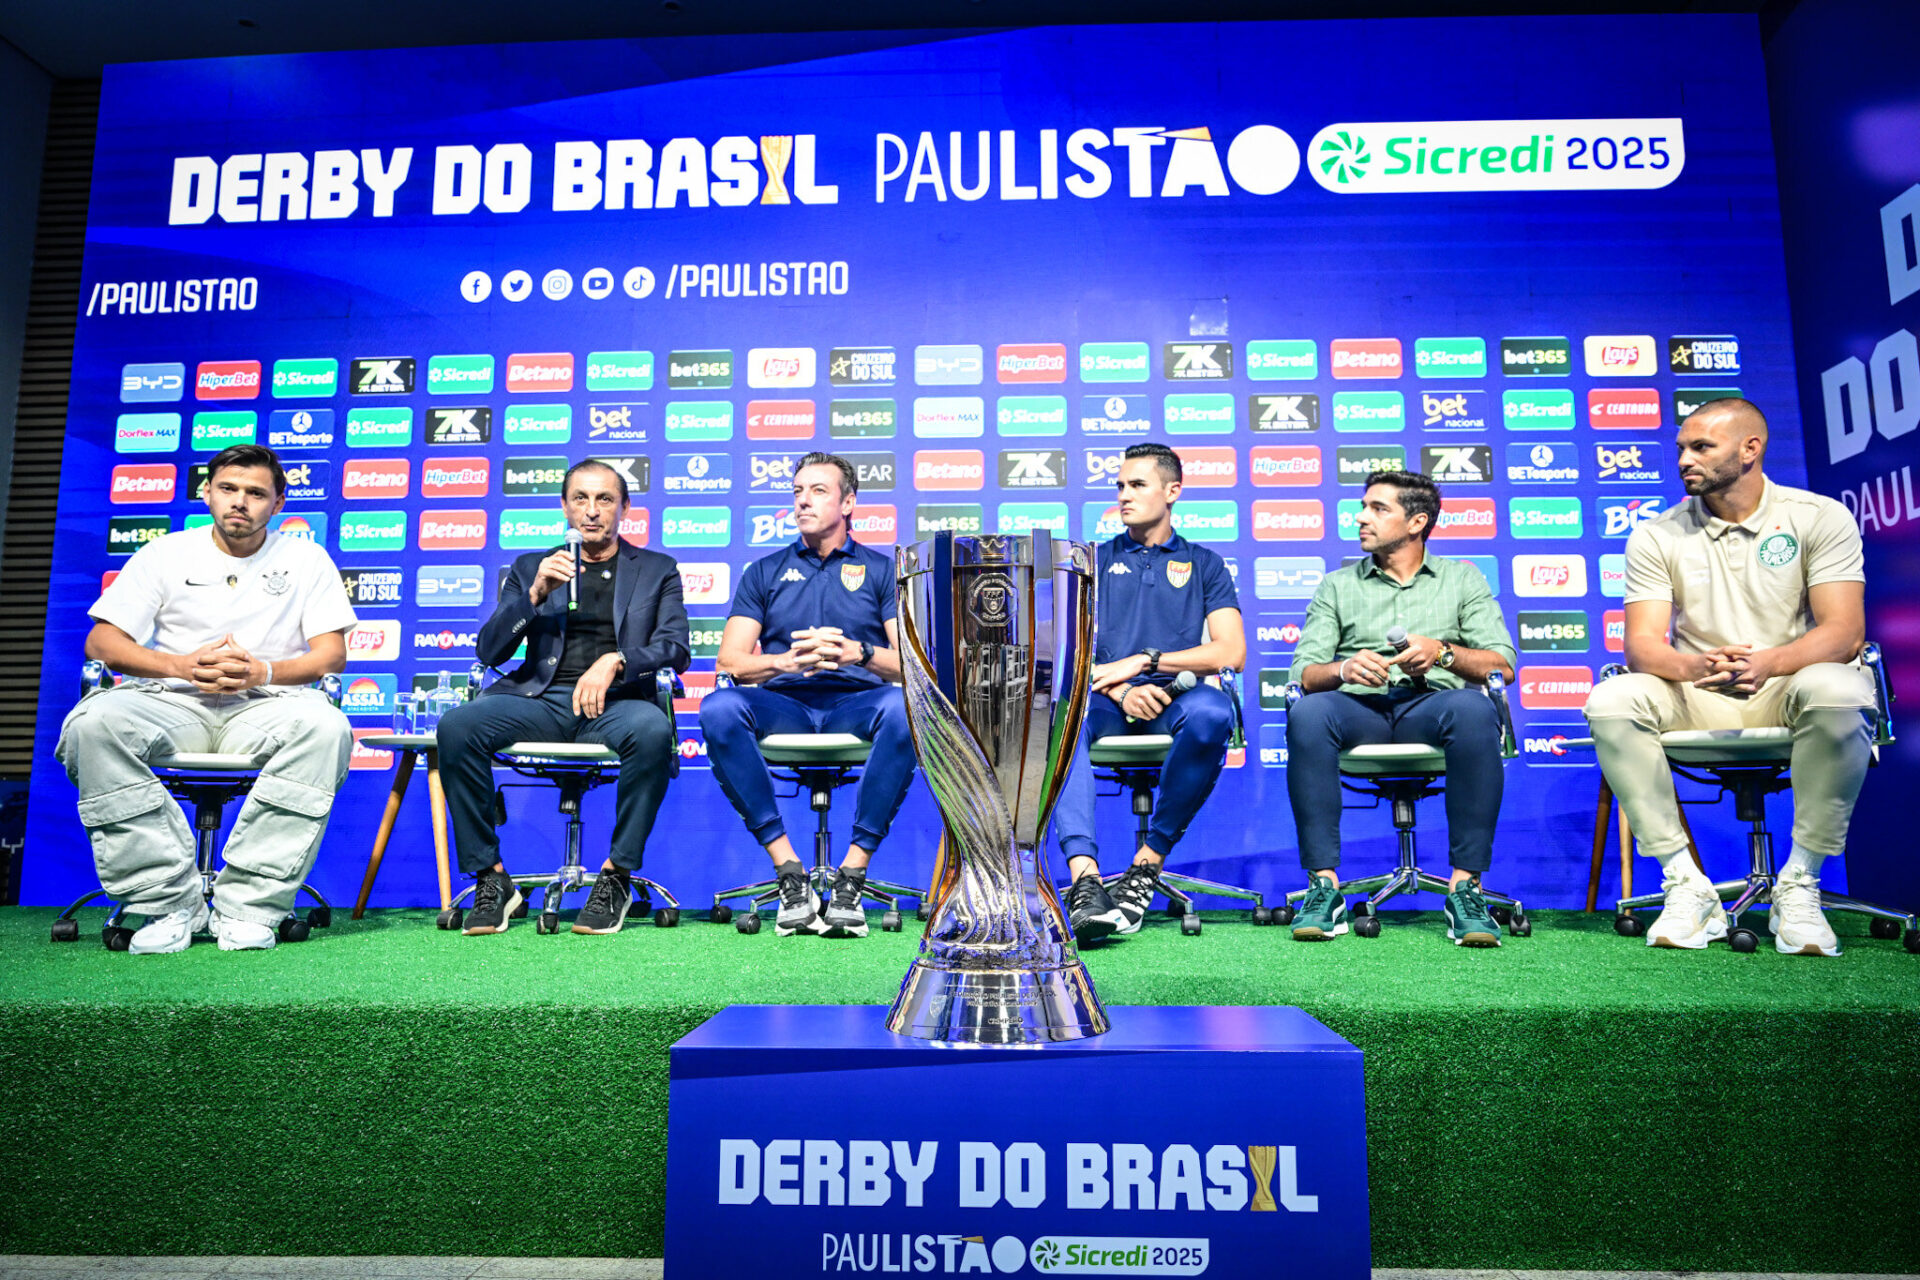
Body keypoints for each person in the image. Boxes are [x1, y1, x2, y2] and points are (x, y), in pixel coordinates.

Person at [1584, 398, 1873, 956]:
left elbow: (1843, 633)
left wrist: (1768, 663)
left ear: (1750, 450)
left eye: (1701, 448)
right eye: (1681, 450)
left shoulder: (1819, 517)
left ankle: (1801, 882)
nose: (1684, 460)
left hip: (1790, 689)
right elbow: (1643, 645)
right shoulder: (1656, 533)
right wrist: (1697, 667)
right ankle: (1685, 883)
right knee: (1613, 700)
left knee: (1839, 686)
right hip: (1701, 692)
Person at [56, 444, 356, 954]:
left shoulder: (306, 557)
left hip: (267, 703)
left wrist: (263, 670)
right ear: (207, 493)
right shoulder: (165, 552)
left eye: (256, 493)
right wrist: (180, 665)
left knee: (327, 728)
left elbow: (332, 654)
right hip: (173, 700)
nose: (240, 502)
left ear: (278, 503)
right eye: (229, 489)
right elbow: (102, 643)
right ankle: (166, 902)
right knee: (92, 723)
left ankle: (250, 907)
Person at [436, 459, 690, 936]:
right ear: (564, 507)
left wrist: (617, 659)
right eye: (580, 499)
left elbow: (675, 648)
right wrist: (532, 597)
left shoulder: (657, 570)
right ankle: (492, 878)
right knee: (457, 726)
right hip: (540, 700)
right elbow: (490, 650)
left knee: (654, 730)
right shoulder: (533, 566)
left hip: (619, 704)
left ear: (624, 509)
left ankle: (616, 875)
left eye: (604, 500)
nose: (591, 511)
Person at [1284, 469, 1517, 946]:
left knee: (1475, 711)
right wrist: (1344, 669)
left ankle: (1465, 891)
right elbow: (1304, 673)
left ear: (1417, 522)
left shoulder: (1462, 578)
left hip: (1432, 706)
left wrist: (1443, 652)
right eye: (1363, 506)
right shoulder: (1337, 585)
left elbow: (1501, 665)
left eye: (1378, 508)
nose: (1361, 517)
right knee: (1307, 712)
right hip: (1359, 712)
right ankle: (1323, 889)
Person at [700, 452, 914, 938]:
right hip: (785, 706)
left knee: (905, 706)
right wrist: (783, 663)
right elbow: (730, 661)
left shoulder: (882, 571)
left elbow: (911, 666)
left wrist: (856, 653)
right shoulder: (764, 571)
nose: (803, 501)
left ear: (849, 502)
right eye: (797, 491)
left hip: (857, 705)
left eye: (818, 490)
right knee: (718, 707)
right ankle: (790, 872)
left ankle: (852, 875)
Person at [1050, 442, 1246, 944]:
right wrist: (1120, 691)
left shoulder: (1204, 564)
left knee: (1212, 713)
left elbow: (1230, 653)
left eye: (1137, 485)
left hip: (1175, 699)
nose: (1123, 496)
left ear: (1173, 491)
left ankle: (1146, 866)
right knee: (1061, 716)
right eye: (1119, 486)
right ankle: (1085, 881)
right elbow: (1065, 651)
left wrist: (1147, 663)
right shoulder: (1087, 562)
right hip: (1105, 700)